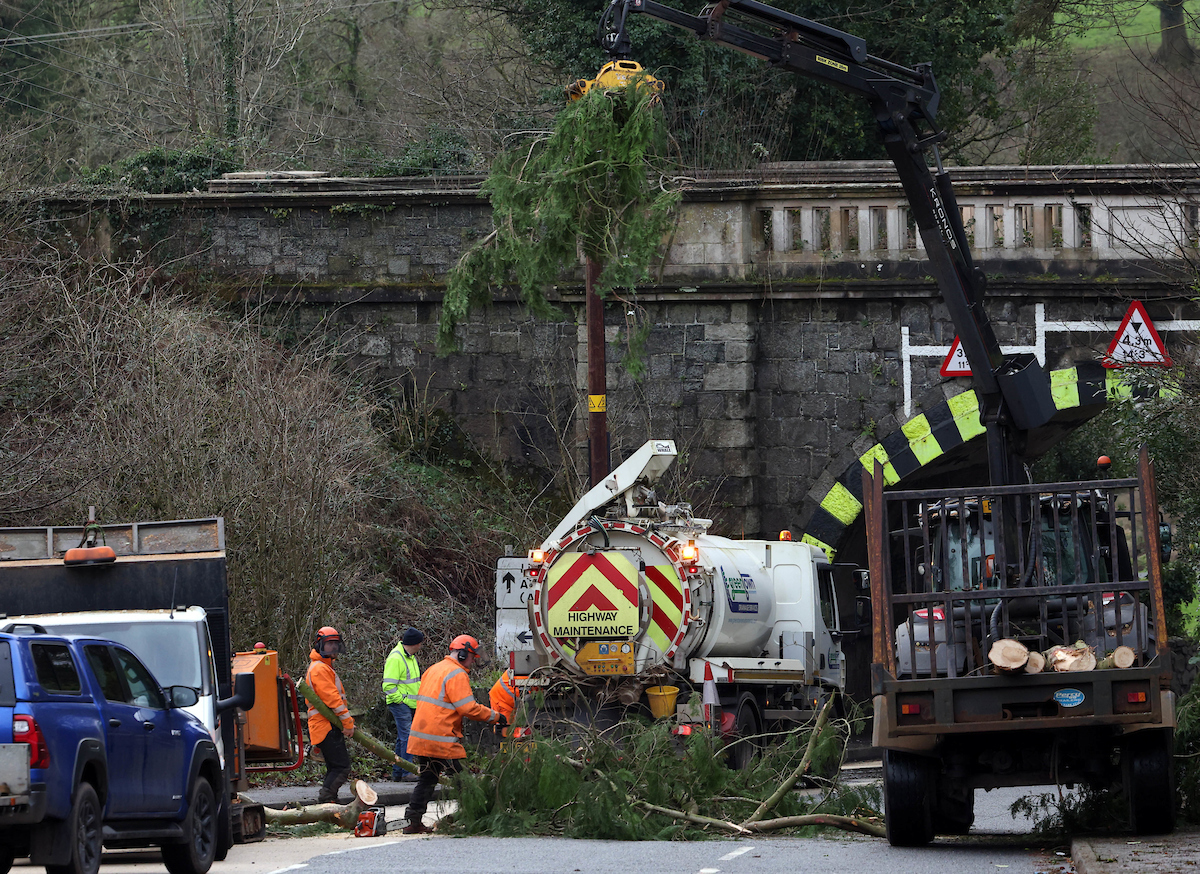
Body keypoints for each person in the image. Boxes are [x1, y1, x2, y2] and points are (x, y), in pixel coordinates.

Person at [403, 634, 505, 834]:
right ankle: (476, 816)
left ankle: (413, 820)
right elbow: (468, 708)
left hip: (422, 736)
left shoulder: (434, 669)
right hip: (441, 738)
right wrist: (495, 716)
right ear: (462, 654)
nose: (473, 662)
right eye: (472, 657)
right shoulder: (457, 674)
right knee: (462, 781)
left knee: (427, 779)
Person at [305, 625, 355, 804]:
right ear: (320, 645)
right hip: (325, 725)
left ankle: (330, 802)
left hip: (327, 725)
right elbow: (333, 700)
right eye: (329, 644)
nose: (333, 647)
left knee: (335, 767)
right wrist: (348, 723)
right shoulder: (319, 669)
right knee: (341, 767)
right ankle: (326, 800)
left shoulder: (324, 667)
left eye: (335, 643)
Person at [382, 626, 424, 781]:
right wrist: (400, 699)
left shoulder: (409, 657)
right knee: (407, 737)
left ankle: (398, 772)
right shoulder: (396, 658)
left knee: (403, 738)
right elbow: (388, 685)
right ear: (415, 643)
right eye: (420, 643)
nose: (421, 646)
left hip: (408, 703)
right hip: (400, 703)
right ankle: (406, 772)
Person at [488, 669, 526, 736]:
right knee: (507, 732)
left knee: (510, 732)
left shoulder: (521, 669)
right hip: (501, 700)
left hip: (502, 698)